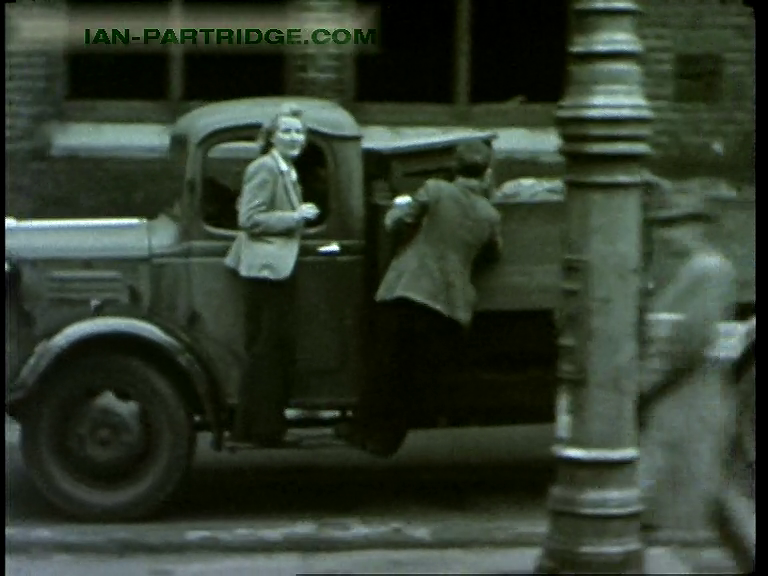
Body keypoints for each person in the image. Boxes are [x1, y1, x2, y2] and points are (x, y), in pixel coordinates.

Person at [338, 140, 503, 457]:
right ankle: (386, 439)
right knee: (411, 373)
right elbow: (493, 254)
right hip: (448, 302)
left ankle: (364, 429)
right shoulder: (490, 214)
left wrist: (398, 212)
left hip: (409, 286)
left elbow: (396, 222)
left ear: (455, 167)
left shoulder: (435, 190)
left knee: (386, 363)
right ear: (486, 172)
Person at [638, 179, 737, 531]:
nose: (666, 234)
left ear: (698, 226)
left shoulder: (708, 270)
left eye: (675, 224)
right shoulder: (686, 269)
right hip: (680, 391)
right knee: (693, 489)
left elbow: (691, 341)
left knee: (682, 485)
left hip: (688, 391)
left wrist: (648, 384)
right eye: (662, 225)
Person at [224, 104, 320, 447]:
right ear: (271, 137)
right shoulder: (264, 168)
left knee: (273, 349)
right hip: (267, 270)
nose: (295, 138)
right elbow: (250, 219)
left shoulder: (285, 169)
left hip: (276, 267)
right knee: (267, 350)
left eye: (299, 132)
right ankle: (261, 430)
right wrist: (297, 217)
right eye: (287, 132)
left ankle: (261, 426)